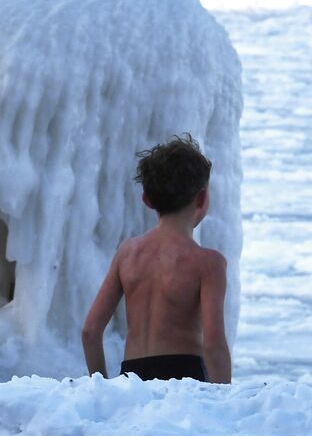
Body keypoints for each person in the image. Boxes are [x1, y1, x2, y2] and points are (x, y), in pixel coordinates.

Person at [81, 134, 231, 383]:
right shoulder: (209, 263)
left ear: (147, 200)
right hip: (185, 378)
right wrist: (224, 405)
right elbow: (214, 344)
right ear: (203, 198)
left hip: (133, 380)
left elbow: (90, 331)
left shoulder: (127, 253)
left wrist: (102, 389)